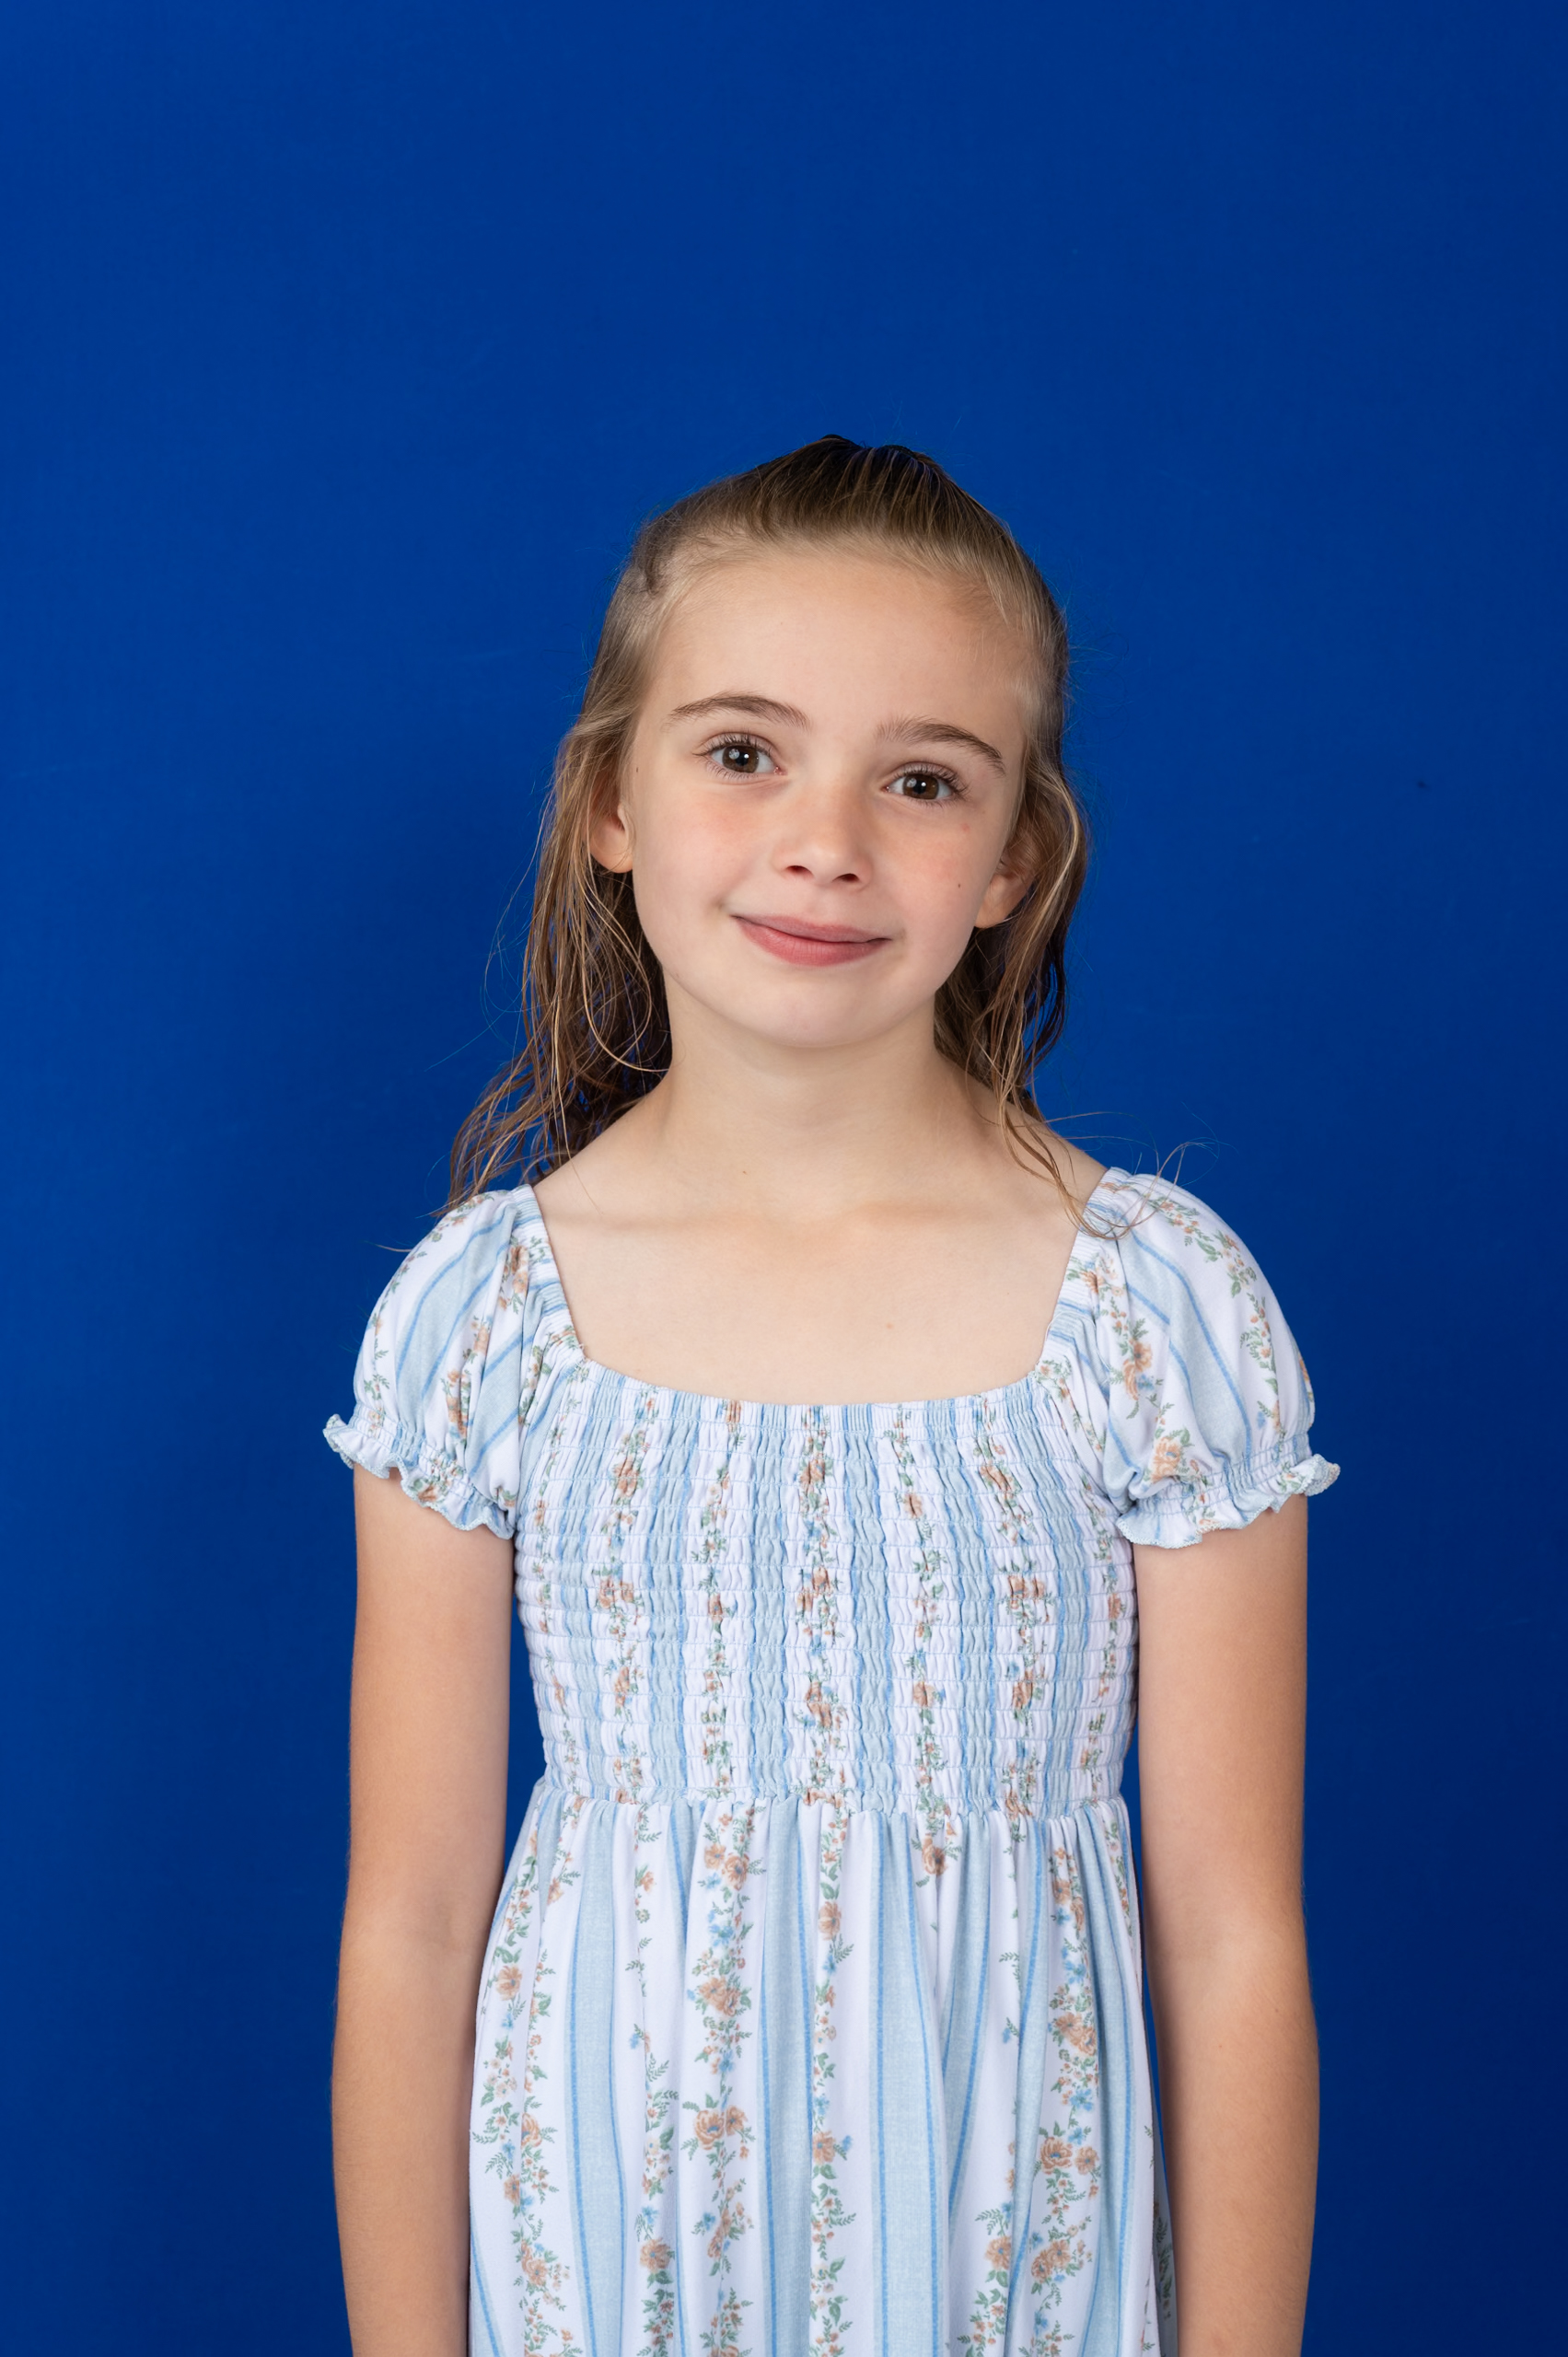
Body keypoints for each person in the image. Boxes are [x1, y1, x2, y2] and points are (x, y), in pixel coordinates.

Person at [325, 435, 1335, 2357]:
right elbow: (412, 1919)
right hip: (600, 2267)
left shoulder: (1155, 1312)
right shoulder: (484, 1320)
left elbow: (1232, 1936)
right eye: (742, 751)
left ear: (1017, 855)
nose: (827, 840)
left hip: (1014, 2272)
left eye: (922, 777)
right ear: (610, 802)